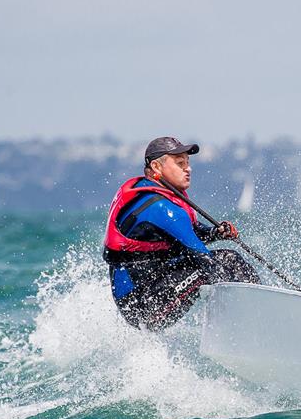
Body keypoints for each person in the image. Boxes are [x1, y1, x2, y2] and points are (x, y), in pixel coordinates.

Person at [103, 137, 259, 330]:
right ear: (156, 167)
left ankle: (257, 315)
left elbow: (190, 233)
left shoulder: (160, 196)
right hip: (142, 307)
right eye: (180, 163)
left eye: (187, 162)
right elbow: (203, 259)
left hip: (155, 285)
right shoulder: (160, 208)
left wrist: (216, 233)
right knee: (216, 266)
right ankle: (252, 325)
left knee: (228, 259)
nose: (188, 168)